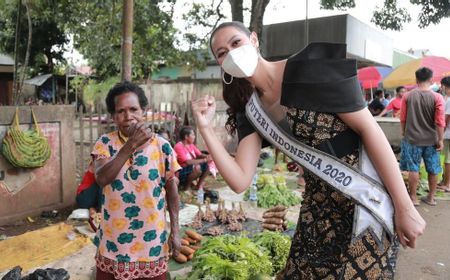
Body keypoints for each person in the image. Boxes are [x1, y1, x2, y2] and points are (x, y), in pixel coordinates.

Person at [191, 21, 425, 279]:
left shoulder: (308, 70)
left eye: (236, 43)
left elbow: (370, 130)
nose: (232, 53)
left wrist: (404, 207)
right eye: (222, 53)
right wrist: (205, 128)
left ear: (254, 40)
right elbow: (239, 179)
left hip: (366, 202)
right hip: (318, 212)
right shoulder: (250, 110)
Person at [91, 81, 181, 280]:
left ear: (144, 111)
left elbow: (172, 191)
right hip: (114, 242)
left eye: (133, 109)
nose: (128, 116)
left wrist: (175, 230)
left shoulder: (162, 146)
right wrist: (130, 146)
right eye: (121, 111)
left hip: (151, 242)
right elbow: (102, 178)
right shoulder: (105, 144)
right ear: (113, 116)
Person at [400, 67, 445, 207]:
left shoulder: (407, 96)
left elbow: (403, 118)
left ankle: (413, 198)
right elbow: (439, 121)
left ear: (416, 79)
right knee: (433, 168)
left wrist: (403, 133)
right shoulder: (437, 97)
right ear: (431, 80)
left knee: (413, 168)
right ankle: (431, 198)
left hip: (412, 138)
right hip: (431, 140)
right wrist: (440, 139)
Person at [173, 126, 211, 190]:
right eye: (193, 135)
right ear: (186, 137)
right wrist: (205, 159)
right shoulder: (178, 147)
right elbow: (187, 162)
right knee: (197, 167)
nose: (194, 137)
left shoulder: (191, 145)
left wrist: (209, 157)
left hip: (190, 168)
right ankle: (186, 188)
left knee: (209, 165)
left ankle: (198, 186)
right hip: (181, 171)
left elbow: (199, 154)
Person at [438, 76, 450, 192]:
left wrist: (440, 135)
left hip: (448, 134)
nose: (442, 89)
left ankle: (447, 184)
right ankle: (445, 181)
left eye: (443, 86)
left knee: (447, 160)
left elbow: (445, 120)